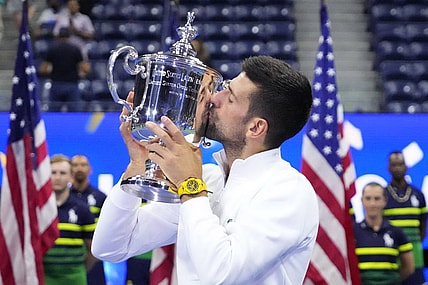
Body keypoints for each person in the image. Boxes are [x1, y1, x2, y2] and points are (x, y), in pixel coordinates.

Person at [92, 55, 319, 284]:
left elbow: (220, 275)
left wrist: (190, 186)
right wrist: (138, 167)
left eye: (229, 98)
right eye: (223, 88)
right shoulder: (209, 178)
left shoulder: (289, 191)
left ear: (256, 127)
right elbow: (111, 247)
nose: (212, 98)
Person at [44, 154, 97, 285]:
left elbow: (93, 250)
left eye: (62, 173)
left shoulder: (83, 209)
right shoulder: (37, 209)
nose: (57, 177)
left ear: (70, 176)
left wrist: (78, 270)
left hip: (75, 277)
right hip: (43, 277)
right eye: (53, 172)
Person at [353, 182, 415, 284]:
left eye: (377, 199)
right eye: (368, 198)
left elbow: (409, 267)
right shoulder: (353, 232)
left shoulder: (396, 232)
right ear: (362, 201)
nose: (372, 204)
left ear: (385, 201)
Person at [383, 151, 427, 285]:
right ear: (389, 168)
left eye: (400, 164)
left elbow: (423, 228)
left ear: (406, 167)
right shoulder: (383, 195)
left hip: (416, 257)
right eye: (394, 165)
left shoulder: (418, 195)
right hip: (391, 258)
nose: (397, 168)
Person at [70, 154, 107, 285]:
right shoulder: (62, 198)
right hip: (70, 258)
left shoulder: (100, 197)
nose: (79, 168)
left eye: (83, 165)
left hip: (94, 256)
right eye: (75, 165)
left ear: (90, 169)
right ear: (70, 170)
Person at [39, 27, 90, 111]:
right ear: (69, 36)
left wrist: (52, 71)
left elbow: (43, 69)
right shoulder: (75, 49)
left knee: (54, 113)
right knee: (74, 114)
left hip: (56, 84)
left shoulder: (52, 49)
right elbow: (85, 69)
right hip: (72, 85)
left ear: (58, 36)